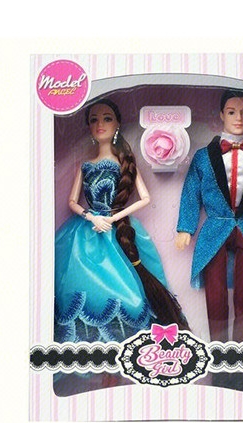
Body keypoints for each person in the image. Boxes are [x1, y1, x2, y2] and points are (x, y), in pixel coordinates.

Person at [54, 99, 186, 393]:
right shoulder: (85, 166)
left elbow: (145, 198)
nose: (99, 124)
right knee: (78, 292)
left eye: (107, 118)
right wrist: (91, 216)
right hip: (85, 235)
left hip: (118, 232)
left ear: (117, 125)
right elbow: (73, 201)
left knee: (129, 295)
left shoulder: (124, 164)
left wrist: (113, 218)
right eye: (94, 119)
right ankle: (98, 366)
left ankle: (121, 368)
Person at [175, 90, 243, 391]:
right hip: (215, 228)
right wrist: (186, 227)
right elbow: (191, 191)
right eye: (232, 112)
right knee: (215, 300)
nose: (238, 118)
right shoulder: (203, 157)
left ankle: (241, 369)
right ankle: (219, 366)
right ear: (221, 114)